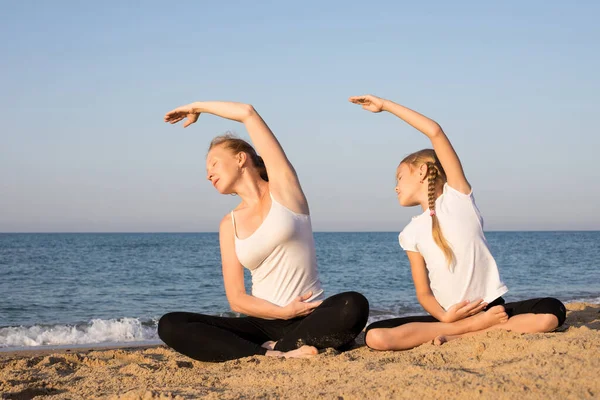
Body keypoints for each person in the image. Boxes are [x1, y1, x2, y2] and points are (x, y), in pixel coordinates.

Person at [349, 94, 566, 351]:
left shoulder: (458, 198)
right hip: (450, 318)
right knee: (375, 335)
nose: (395, 187)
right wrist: (445, 318)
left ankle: (465, 332)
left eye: (399, 177)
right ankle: (464, 330)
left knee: (552, 311)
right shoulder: (410, 233)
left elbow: (435, 132)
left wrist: (385, 106)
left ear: (422, 172)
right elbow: (424, 294)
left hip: (490, 310)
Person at [157, 100, 369, 361]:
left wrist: (199, 107)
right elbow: (236, 299)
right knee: (170, 323)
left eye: (213, 163)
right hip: (261, 324)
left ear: (240, 158)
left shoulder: (285, 192)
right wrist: (282, 312)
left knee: (353, 305)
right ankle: (273, 353)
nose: (208, 174)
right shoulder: (229, 223)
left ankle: (278, 348)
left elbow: (247, 113)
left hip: (309, 316)